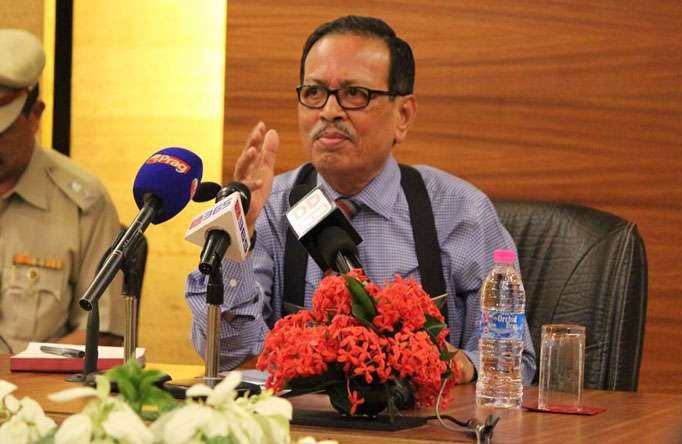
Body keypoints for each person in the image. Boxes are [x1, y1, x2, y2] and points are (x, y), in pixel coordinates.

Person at [186, 15, 536, 384]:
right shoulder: (269, 209)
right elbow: (228, 357)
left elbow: (515, 363)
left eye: (354, 94)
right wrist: (239, 237)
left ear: (403, 115)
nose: (329, 111)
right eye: (314, 92)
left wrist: (462, 365)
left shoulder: (461, 212)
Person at [0, 29, 124, 353]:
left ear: (35, 116)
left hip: (34, 383)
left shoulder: (84, 204)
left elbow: (102, 334)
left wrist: (15, 372)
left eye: (2, 133)